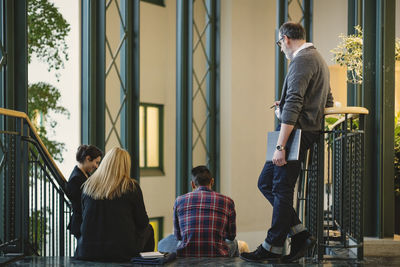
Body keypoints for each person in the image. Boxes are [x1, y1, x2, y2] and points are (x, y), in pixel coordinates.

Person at [240, 22, 334, 263]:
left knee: (282, 189)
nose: (281, 48)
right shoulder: (319, 60)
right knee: (266, 183)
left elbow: (294, 101)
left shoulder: (302, 61)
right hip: (300, 131)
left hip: (295, 134)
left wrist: (281, 145)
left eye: (279, 43)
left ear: (286, 39)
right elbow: (329, 101)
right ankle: (300, 234)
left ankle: (272, 245)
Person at [75, 147, 154, 262]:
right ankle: (144, 263)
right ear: (126, 166)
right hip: (121, 252)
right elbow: (142, 222)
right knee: (149, 229)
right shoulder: (131, 187)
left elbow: (84, 219)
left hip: (86, 251)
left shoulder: (88, 186)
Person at [158, 165, 241, 257]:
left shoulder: (179, 200)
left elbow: (178, 236)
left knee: (163, 243)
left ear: (192, 184)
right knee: (235, 243)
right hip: (217, 254)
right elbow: (231, 236)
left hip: (186, 254)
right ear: (212, 181)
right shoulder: (227, 201)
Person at [66, 145, 103, 239]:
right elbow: (79, 205)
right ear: (88, 158)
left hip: (85, 223)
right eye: (96, 162)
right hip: (81, 224)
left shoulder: (84, 174)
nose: (97, 166)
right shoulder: (76, 179)